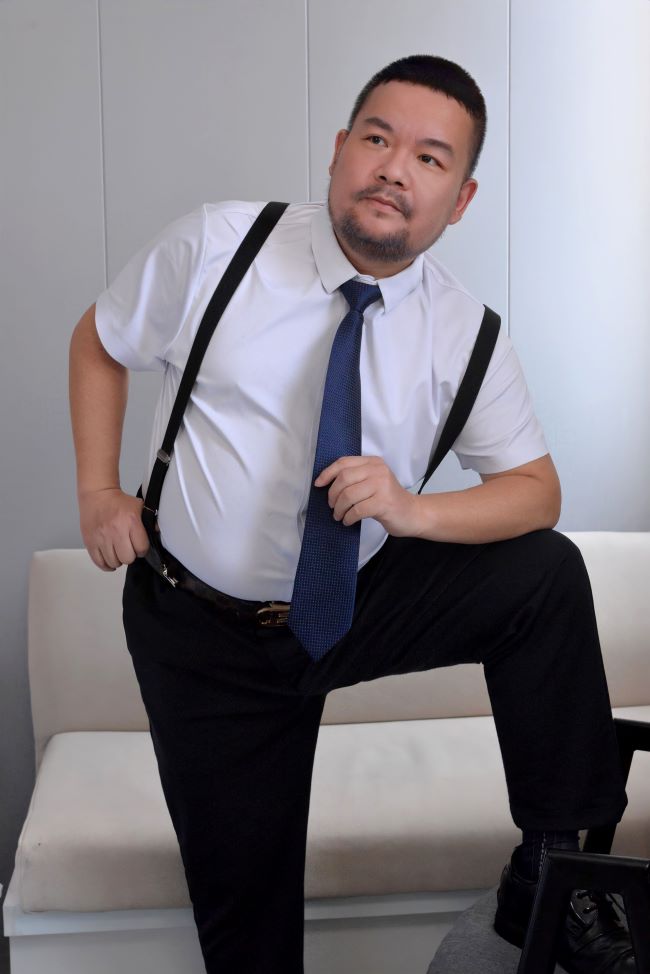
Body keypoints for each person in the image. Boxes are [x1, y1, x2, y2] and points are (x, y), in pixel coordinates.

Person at [69, 55, 633, 974]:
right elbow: (98, 341)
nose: (394, 169)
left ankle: (551, 870)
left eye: (430, 158)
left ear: (460, 198)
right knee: (249, 938)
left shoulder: (466, 332)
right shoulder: (220, 246)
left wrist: (412, 511)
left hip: (353, 600)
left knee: (543, 574)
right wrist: (99, 491)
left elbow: (537, 491)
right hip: (203, 633)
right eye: (377, 138)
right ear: (338, 151)